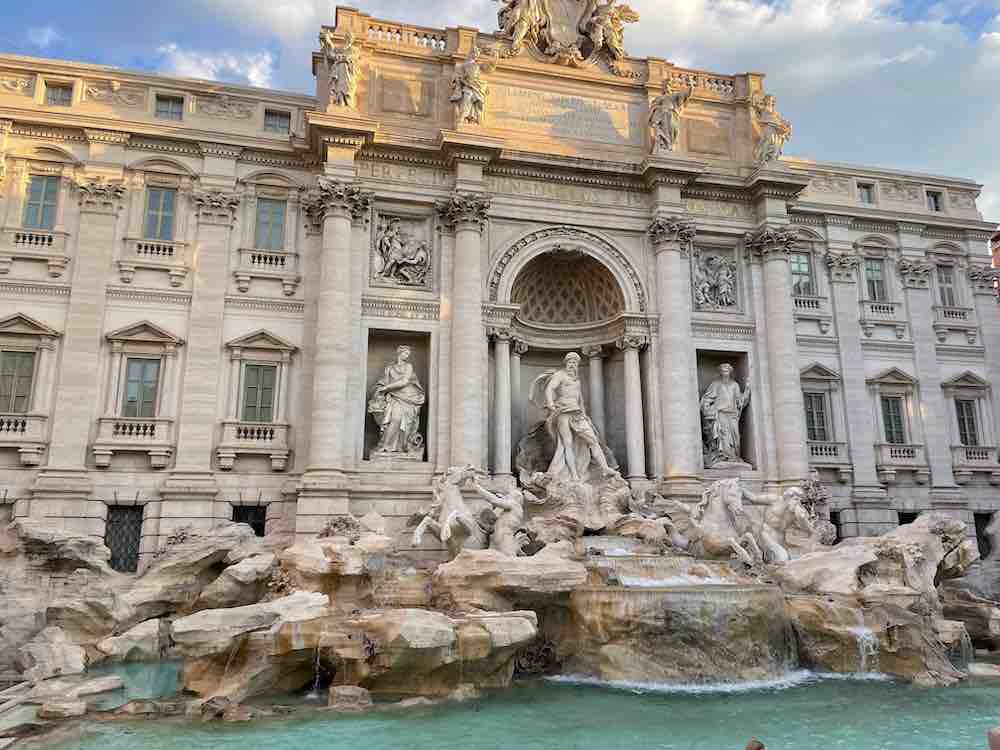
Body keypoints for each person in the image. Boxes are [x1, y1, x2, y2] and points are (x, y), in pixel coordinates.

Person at [536, 352, 616, 482]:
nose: (572, 365)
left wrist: (584, 414)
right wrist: (550, 402)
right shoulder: (560, 375)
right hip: (563, 413)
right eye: (570, 362)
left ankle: (605, 468)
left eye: (575, 363)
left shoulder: (577, 381)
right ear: (566, 363)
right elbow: (549, 388)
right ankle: (574, 475)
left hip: (577, 414)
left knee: (593, 440)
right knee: (567, 444)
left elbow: (580, 400)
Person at [368, 345, 426, 455]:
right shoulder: (389, 368)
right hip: (394, 397)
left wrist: (386, 388)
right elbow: (383, 382)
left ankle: (401, 447)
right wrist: (379, 389)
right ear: (399, 353)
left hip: (409, 397)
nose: (406, 356)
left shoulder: (408, 366)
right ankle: (386, 446)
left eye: (408, 354)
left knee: (402, 422)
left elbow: (404, 382)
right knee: (395, 419)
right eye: (405, 353)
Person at [700, 363, 751, 466]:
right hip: (720, 414)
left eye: (727, 370)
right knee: (723, 436)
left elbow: (740, 401)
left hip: (732, 415)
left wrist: (747, 389)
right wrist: (708, 410)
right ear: (720, 372)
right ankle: (723, 457)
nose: (725, 372)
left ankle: (733, 457)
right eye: (723, 370)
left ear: (730, 372)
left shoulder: (735, 385)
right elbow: (706, 399)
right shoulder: (716, 384)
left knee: (735, 438)